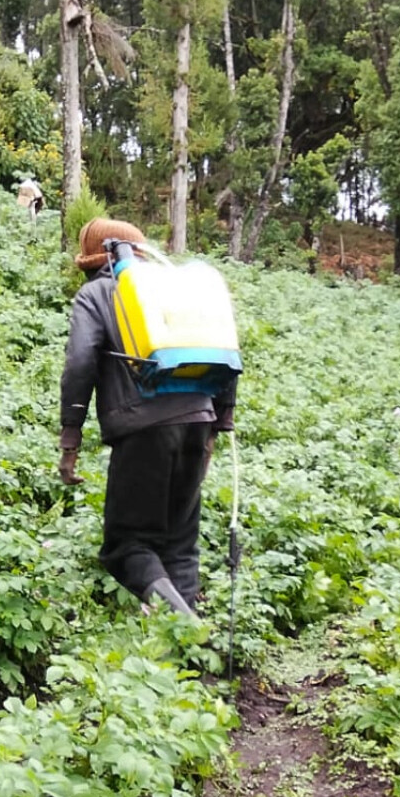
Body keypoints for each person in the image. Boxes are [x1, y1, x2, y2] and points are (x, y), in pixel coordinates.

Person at [57, 217, 236, 616]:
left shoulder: (97, 293)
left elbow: (81, 362)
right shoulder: (175, 293)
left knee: (126, 547)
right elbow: (224, 347)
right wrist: (216, 427)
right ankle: (188, 648)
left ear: (91, 260)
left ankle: (187, 627)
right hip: (198, 421)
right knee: (180, 546)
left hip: (143, 431)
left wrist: (70, 439)